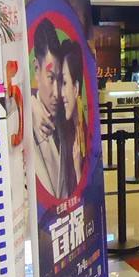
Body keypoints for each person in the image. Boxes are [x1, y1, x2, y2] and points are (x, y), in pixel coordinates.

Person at [31, 19, 69, 198]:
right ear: (36, 69)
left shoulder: (65, 119)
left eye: (60, 80)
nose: (57, 93)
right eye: (51, 78)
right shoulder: (27, 117)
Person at [58, 39, 87, 196]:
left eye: (64, 83)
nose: (61, 93)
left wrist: (77, 169)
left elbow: (87, 196)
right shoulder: (65, 132)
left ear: (76, 88)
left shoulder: (87, 134)